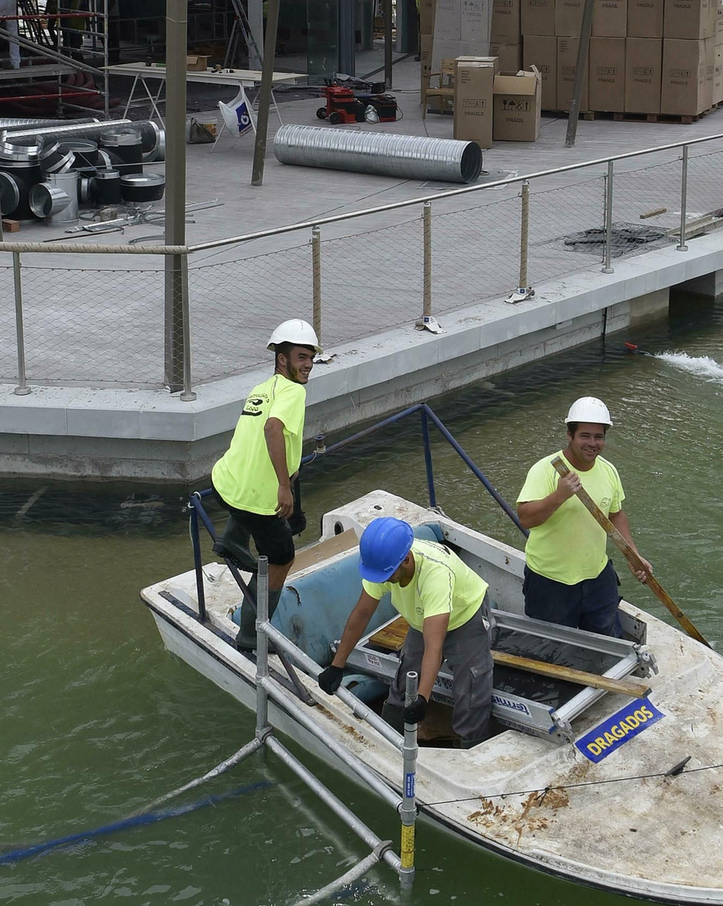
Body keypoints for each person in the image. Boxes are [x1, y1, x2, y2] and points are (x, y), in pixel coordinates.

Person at [323, 516, 496, 748]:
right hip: (421, 617)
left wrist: (423, 699)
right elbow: (361, 614)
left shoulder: (435, 575)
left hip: (464, 616)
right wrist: (337, 665)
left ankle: (470, 748)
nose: (383, 580)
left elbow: (434, 648)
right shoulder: (383, 563)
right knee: (406, 676)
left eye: (386, 576)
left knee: (471, 691)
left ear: (405, 560)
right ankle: (387, 740)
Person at [210, 319, 318, 654]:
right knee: (281, 558)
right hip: (255, 502)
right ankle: (252, 633)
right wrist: (284, 488)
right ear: (282, 359)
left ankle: (231, 538)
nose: (308, 365)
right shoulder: (294, 392)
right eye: (301, 357)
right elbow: (273, 429)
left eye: (311, 357)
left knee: (248, 506)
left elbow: (260, 437)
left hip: (223, 482)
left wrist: (290, 475)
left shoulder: (262, 388)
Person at [515, 397, 651, 636]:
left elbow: (616, 514)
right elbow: (525, 519)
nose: (592, 443)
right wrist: (559, 495)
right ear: (570, 435)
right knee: (553, 650)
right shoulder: (546, 469)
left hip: (597, 577)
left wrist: (632, 554)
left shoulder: (608, 470)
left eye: (598, 437)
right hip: (550, 581)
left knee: (608, 643)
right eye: (585, 436)